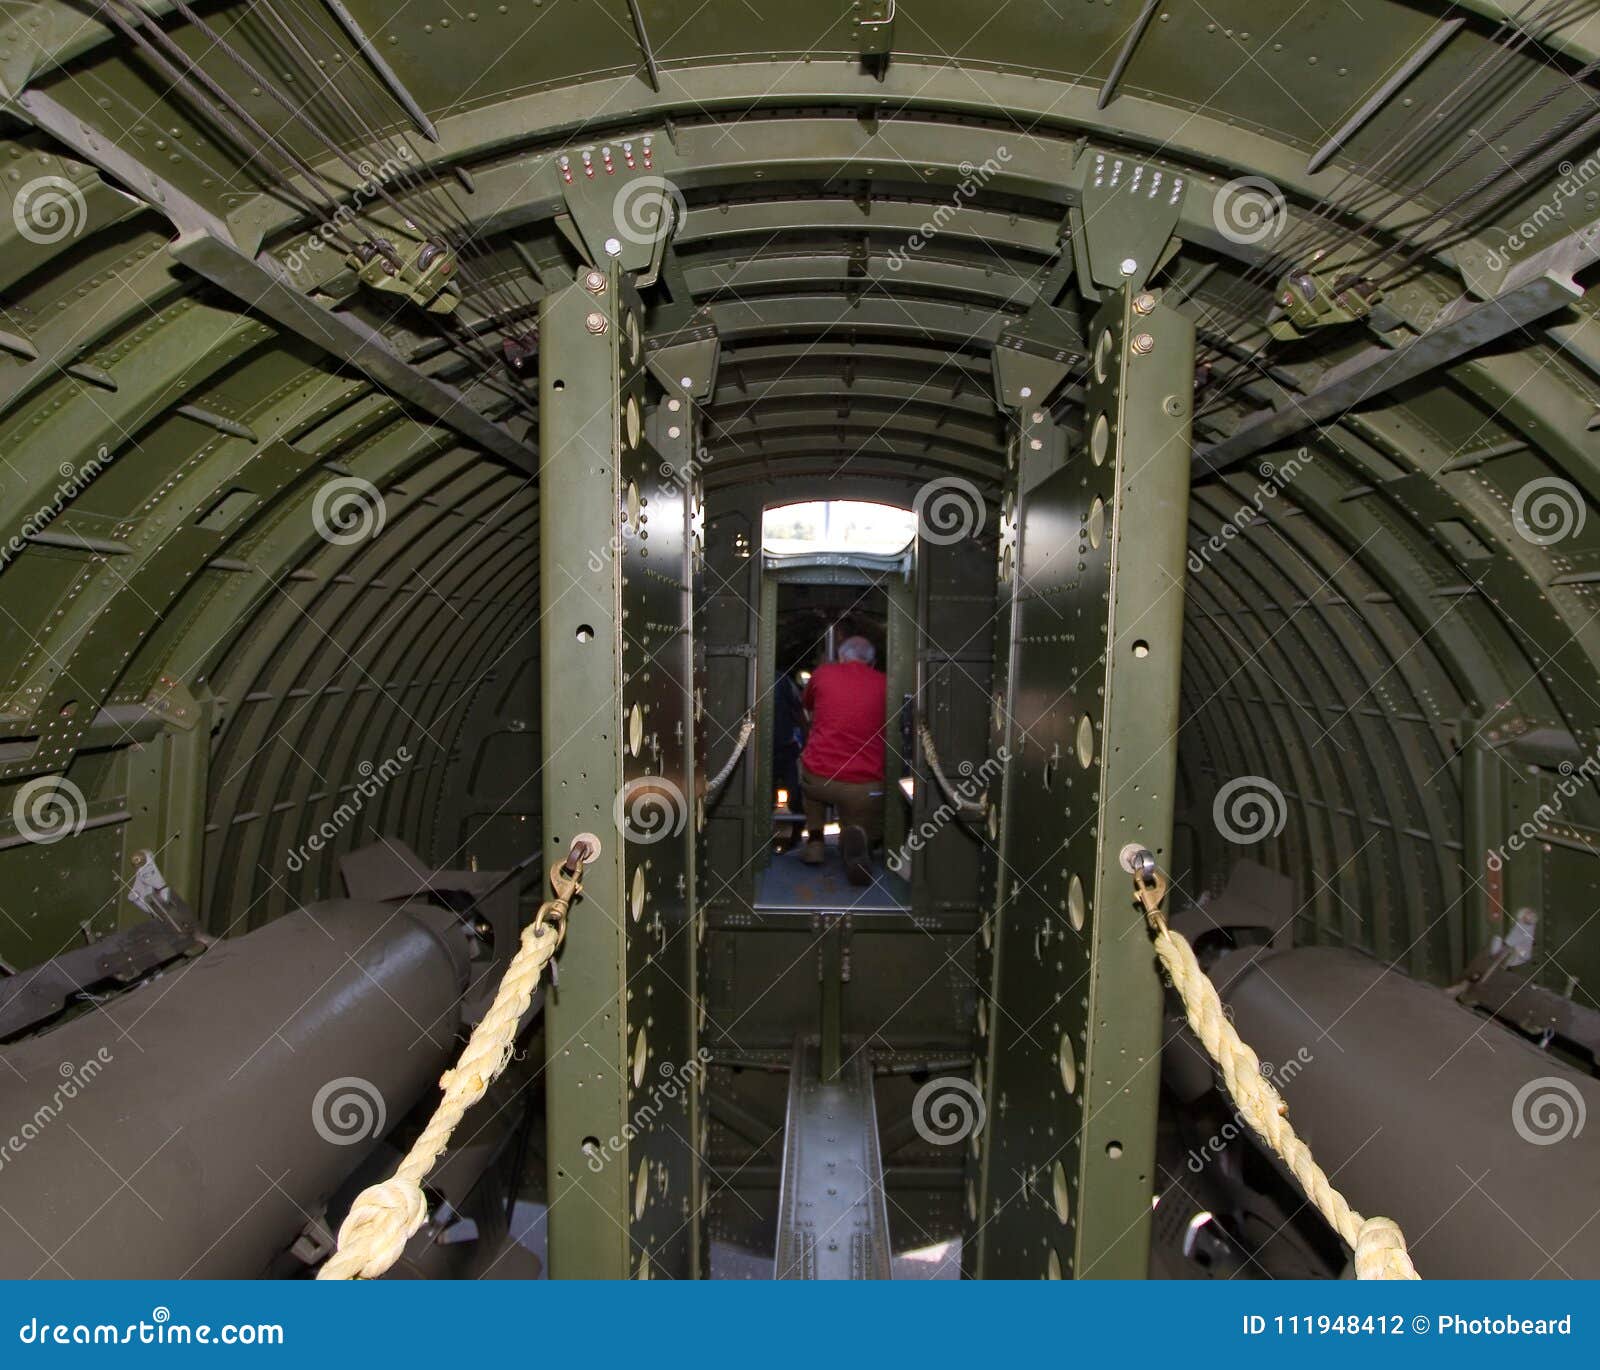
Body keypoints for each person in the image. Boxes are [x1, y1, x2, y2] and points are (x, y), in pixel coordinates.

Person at [798, 635, 886, 885]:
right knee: (862, 815)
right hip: (864, 785)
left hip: (820, 778)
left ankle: (815, 841)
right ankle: (855, 836)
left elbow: (808, 705)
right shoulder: (885, 683)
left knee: (807, 773)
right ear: (872, 662)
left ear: (841, 657)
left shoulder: (823, 674)